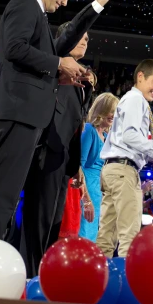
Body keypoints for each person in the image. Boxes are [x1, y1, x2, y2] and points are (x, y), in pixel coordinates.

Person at [0, 0, 118, 275]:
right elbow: (13, 49)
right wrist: (56, 63)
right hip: (15, 113)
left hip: (25, 116)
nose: (64, 2)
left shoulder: (41, 19)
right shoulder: (25, 3)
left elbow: (64, 40)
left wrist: (102, 0)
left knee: (6, 198)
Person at [95, 59, 153, 258]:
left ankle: (98, 286)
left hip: (113, 170)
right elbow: (130, 137)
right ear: (140, 77)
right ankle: (126, 288)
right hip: (123, 172)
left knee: (105, 238)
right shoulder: (136, 100)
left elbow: (128, 139)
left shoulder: (131, 99)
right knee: (129, 236)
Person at [50, 25, 96, 242]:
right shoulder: (53, 72)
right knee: (46, 223)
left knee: (57, 223)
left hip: (65, 162)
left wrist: (75, 164)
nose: (85, 41)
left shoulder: (82, 83)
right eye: (81, 36)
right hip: (46, 156)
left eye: (87, 38)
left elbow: (76, 125)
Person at [78, 92, 119, 241]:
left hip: (98, 195)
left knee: (92, 242)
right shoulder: (89, 130)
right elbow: (78, 166)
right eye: (111, 111)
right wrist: (86, 200)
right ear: (102, 109)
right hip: (84, 192)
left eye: (116, 112)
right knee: (81, 239)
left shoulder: (107, 137)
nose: (113, 116)